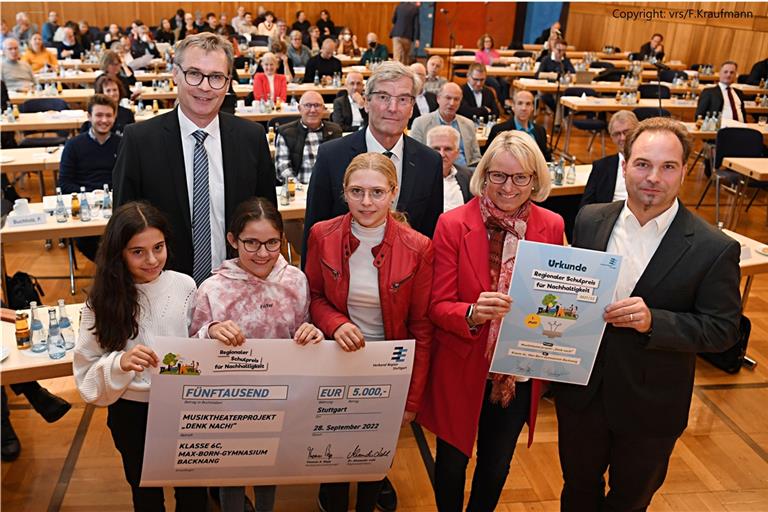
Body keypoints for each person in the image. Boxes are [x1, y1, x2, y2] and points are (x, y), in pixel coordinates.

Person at [554, 117, 741, 511]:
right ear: (624, 166)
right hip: (582, 396)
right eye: (642, 164)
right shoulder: (590, 219)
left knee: (630, 500)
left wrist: (655, 321)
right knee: (577, 489)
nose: (653, 177)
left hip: (651, 405)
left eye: (668, 166)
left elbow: (724, 330)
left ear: (684, 171)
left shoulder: (713, 247)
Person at [419, 130, 564, 511]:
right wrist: (470, 312)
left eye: (521, 177)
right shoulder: (453, 224)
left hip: (515, 369)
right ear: (484, 175)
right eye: (498, 175)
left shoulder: (551, 225)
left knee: (497, 463)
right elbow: (436, 305)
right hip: (462, 362)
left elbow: (557, 298)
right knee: (451, 461)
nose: (509, 186)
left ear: (535, 179)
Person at [306, 152, 433, 512]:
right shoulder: (322, 234)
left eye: (377, 192)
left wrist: (411, 400)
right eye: (356, 191)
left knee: (372, 459)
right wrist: (337, 323)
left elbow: (423, 329)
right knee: (330, 455)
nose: (366, 202)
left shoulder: (419, 247)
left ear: (393, 193)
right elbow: (313, 297)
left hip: (387, 369)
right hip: (333, 361)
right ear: (343, 192)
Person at [74, 201, 209, 511]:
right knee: (145, 493)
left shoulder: (184, 285)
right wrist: (119, 362)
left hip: (184, 406)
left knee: (193, 492)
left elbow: (196, 341)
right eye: (138, 252)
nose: (152, 260)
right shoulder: (101, 301)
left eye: (158, 248)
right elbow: (85, 370)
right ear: (119, 253)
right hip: (132, 413)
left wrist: (211, 334)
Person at [191, 197, 324, 512]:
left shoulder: (296, 280)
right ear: (232, 240)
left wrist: (313, 334)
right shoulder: (212, 289)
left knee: (270, 466)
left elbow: (305, 331)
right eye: (251, 243)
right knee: (230, 473)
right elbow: (191, 349)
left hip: (281, 398)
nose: (262, 253)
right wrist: (209, 332)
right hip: (229, 403)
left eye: (272, 243)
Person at [113, 33, 277, 283]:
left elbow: (267, 217)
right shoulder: (139, 140)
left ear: (228, 81)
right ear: (175, 74)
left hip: (238, 287)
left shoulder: (252, 138)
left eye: (216, 77)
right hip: (162, 288)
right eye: (194, 74)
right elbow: (123, 227)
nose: (205, 86)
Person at [303, 60, 443, 266]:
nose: (393, 108)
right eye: (383, 97)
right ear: (366, 103)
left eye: (403, 99)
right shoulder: (331, 156)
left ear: (412, 107)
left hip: (407, 281)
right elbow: (313, 232)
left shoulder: (429, 162)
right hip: (343, 278)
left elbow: (430, 236)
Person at [60, 94, 121, 260]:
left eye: (108, 115)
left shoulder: (122, 143)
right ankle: (110, 274)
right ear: (89, 117)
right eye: (99, 115)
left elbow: (128, 178)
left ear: (115, 116)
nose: (104, 120)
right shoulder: (73, 145)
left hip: (116, 204)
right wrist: (92, 194)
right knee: (87, 241)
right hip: (84, 205)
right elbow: (64, 183)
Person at [275, 90, 342, 184]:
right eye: (308, 105)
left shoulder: (335, 131)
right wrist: (299, 187)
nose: (313, 110)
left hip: (328, 188)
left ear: (323, 108)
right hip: (298, 190)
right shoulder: (285, 132)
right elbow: (282, 168)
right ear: (299, 108)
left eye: (317, 105)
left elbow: (340, 164)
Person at [410, 82, 481, 167]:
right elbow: (414, 157)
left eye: (456, 99)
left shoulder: (468, 124)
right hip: (434, 172)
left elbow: (476, 157)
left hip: (464, 174)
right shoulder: (420, 123)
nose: (452, 103)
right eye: (448, 98)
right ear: (438, 98)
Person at [580, 110, 639, 208]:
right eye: (617, 134)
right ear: (611, 138)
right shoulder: (601, 167)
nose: (622, 138)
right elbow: (586, 206)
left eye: (626, 132)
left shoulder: (653, 163)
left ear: (637, 132)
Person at [485, 89, 551, 161]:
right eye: (520, 103)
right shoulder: (499, 130)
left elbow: (546, 159)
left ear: (532, 107)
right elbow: (489, 159)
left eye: (528, 104)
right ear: (513, 106)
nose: (524, 108)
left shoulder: (540, 131)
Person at [426, 125, 473, 211]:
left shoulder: (468, 176)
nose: (442, 154)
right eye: (436, 149)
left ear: (457, 153)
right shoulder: (415, 177)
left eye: (448, 149)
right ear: (426, 150)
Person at [536, 39, 576, 114]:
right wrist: (551, 75)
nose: (561, 53)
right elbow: (538, 75)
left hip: (562, 88)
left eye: (564, 50)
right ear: (553, 49)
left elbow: (573, 73)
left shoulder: (565, 60)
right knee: (548, 97)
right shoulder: (546, 59)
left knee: (567, 96)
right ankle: (561, 115)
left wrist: (569, 76)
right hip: (546, 89)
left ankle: (562, 116)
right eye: (559, 50)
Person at [474, 33, 508, 104]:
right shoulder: (479, 53)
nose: (488, 43)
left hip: (496, 74)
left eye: (489, 41)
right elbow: (479, 66)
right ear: (483, 43)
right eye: (486, 41)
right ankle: (500, 103)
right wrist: (490, 62)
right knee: (496, 85)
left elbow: (498, 65)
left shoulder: (496, 53)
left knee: (505, 84)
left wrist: (502, 62)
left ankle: (504, 103)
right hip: (487, 75)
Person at [407, 62, 438, 126]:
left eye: (420, 74)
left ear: (425, 78)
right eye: (414, 74)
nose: (417, 77)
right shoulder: (404, 98)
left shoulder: (434, 97)